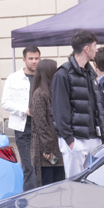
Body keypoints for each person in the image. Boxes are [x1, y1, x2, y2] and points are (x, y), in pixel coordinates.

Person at [50, 29, 103, 178]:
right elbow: (59, 109)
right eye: (94, 46)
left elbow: (96, 106)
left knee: (93, 182)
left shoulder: (91, 73)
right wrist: (70, 140)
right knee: (74, 185)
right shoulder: (62, 74)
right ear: (86, 49)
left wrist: (101, 136)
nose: (96, 50)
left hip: (94, 138)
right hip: (76, 141)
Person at [1, 45, 40, 190]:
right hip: (23, 128)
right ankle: (30, 198)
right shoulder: (14, 78)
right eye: (30, 58)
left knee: (40, 167)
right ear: (24, 59)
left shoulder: (42, 77)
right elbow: (5, 102)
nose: (34, 61)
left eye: (36, 58)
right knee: (29, 166)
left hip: (41, 129)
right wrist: (24, 111)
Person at [29, 58, 62, 186]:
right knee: (47, 186)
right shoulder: (39, 94)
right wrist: (48, 149)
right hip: (46, 153)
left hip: (56, 150)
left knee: (58, 185)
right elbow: (41, 124)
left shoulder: (54, 92)